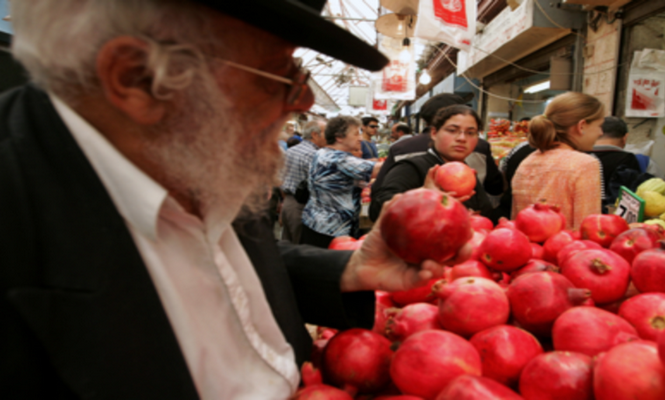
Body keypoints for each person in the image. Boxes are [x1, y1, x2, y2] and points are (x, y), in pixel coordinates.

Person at [0, 1, 463, 398]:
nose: (302, 100)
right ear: (138, 78)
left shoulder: (191, 155)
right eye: (281, 75)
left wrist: (346, 270)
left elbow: (205, 255)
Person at [369, 93, 503, 221]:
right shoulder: (411, 167)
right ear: (434, 133)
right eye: (452, 130)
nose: (462, 138)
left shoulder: (467, 171)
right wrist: (422, 197)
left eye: (471, 132)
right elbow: (377, 209)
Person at [512, 92, 606, 230]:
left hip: (531, 250)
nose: (601, 133)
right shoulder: (585, 164)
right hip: (567, 249)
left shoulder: (526, 162)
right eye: (599, 125)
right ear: (582, 126)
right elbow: (587, 229)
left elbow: (516, 222)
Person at [301, 116, 382, 247]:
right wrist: (400, 156)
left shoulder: (322, 152)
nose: (360, 138)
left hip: (315, 223)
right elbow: (376, 170)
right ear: (339, 137)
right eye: (356, 133)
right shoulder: (338, 159)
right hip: (332, 231)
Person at [280, 120, 327, 243]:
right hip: (303, 206)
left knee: (288, 244)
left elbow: (280, 179)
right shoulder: (314, 155)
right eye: (326, 132)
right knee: (301, 246)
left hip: (289, 204)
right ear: (315, 135)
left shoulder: (291, 150)